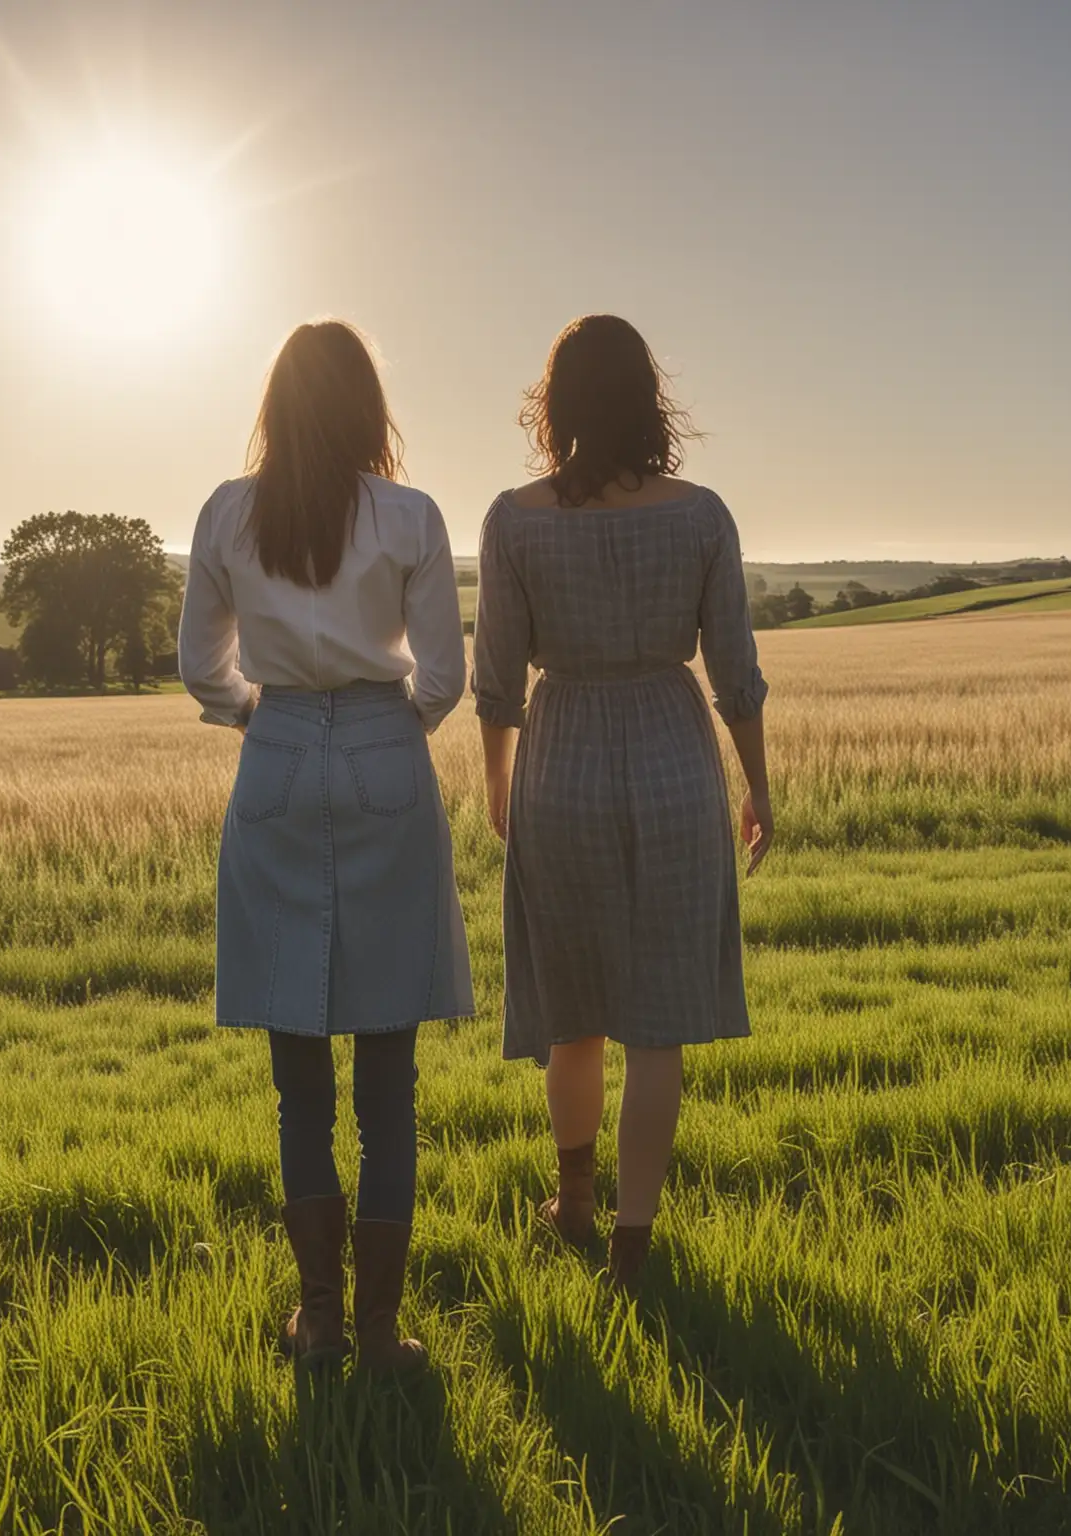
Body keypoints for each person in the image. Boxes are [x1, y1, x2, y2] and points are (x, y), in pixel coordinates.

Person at [179, 319, 474, 1370]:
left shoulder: (226, 512)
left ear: (273, 406)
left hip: (278, 756)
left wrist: (262, 714)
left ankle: (318, 1322)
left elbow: (200, 668)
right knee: (388, 1084)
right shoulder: (410, 515)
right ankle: (386, 1331)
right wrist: (393, 733)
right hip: (386, 754)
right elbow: (443, 677)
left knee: (295, 1077)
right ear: (366, 408)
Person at [472, 314, 772, 1291]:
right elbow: (735, 671)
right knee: (657, 1026)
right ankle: (630, 1249)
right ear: (651, 401)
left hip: (559, 762)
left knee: (573, 1012)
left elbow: (496, 678)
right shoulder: (701, 515)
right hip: (675, 763)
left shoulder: (513, 520)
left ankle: (571, 1199)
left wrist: (498, 781)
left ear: (554, 407)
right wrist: (759, 783)